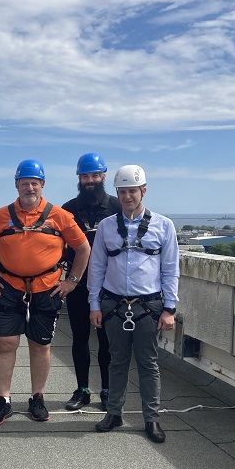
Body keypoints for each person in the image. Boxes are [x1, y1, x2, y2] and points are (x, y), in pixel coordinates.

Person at [0, 159, 90, 424]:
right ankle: (3, 399)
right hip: (9, 288)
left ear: (42, 184)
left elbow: (83, 248)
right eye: (24, 183)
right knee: (5, 344)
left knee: (40, 346)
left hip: (47, 290)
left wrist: (72, 281)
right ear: (16, 185)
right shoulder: (0, 216)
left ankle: (37, 397)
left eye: (34, 183)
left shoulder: (60, 216)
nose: (29, 188)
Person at [89, 165, 179, 443]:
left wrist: (169, 308)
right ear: (117, 192)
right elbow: (97, 268)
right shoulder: (106, 227)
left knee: (148, 363)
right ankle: (114, 413)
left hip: (148, 307)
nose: (127, 196)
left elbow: (170, 269)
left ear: (143, 191)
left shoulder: (164, 226)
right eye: (122, 191)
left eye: (132, 191)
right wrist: (94, 304)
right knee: (117, 361)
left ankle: (151, 419)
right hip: (114, 305)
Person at [61, 153, 122, 411]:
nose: (89, 180)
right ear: (79, 178)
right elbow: (58, 247)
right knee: (79, 338)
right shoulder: (68, 209)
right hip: (78, 284)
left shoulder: (117, 207)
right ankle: (83, 389)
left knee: (106, 340)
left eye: (94, 176)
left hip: (110, 287)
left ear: (103, 176)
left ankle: (106, 390)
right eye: (85, 176)